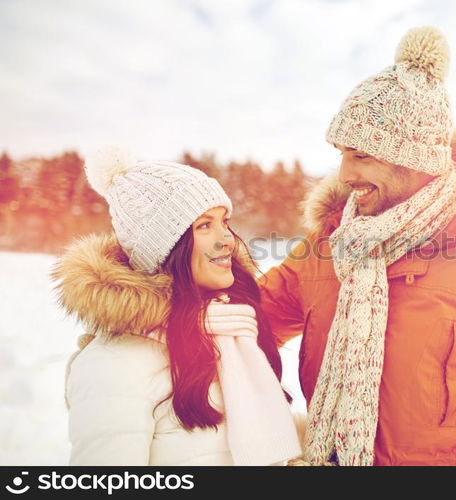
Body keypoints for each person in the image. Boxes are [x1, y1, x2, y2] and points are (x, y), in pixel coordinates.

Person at [258, 26, 456, 465]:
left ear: (414, 159)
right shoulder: (329, 247)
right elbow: (243, 317)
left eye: (361, 155)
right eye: (341, 154)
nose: (344, 174)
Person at [52, 147, 301, 465]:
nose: (228, 239)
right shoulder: (116, 363)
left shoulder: (233, 333)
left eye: (225, 221)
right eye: (204, 226)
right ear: (166, 249)